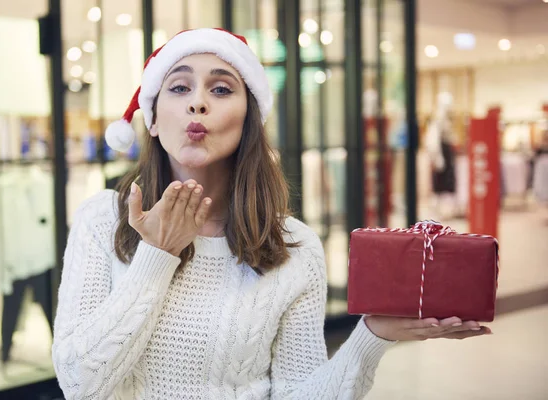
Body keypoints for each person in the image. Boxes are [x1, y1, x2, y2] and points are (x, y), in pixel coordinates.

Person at [51, 28, 491, 400]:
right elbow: (79, 384)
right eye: (179, 87)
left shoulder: (293, 247)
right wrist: (156, 254)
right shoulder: (101, 221)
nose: (197, 103)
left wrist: (371, 338)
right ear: (151, 117)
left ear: (250, 118)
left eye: (221, 89)